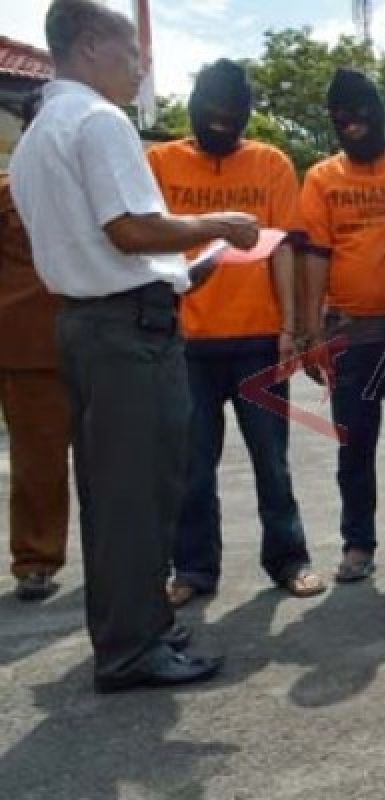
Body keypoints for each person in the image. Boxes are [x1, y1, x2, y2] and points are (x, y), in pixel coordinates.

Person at [9, 0, 258, 692]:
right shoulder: (97, 120)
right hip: (126, 335)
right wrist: (221, 224)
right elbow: (129, 228)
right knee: (138, 493)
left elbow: (96, 242)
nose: (140, 67)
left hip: (88, 325)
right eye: (131, 53)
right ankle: (131, 649)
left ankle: (137, 626)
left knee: (111, 491)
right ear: (89, 46)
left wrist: (183, 270)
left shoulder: (36, 136)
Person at [147, 59, 326, 608]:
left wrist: (291, 328)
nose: (223, 123)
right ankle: (195, 569)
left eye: (233, 114)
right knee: (192, 466)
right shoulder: (159, 162)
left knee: (271, 461)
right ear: (196, 106)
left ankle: (289, 560)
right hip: (187, 344)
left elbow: (285, 250)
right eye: (213, 112)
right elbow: (150, 242)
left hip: (258, 340)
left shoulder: (270, 164)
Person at [300, 68, 385, 582]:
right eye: (340, 119)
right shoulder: (321, 178)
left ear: (378, 113)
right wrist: (311, 332)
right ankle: (358, 544)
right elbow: (314, 254)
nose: (350, 124)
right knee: (353, 444)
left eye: (359, 114)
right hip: (351, 334)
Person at [0, 88, 70, 603]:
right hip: (28, 348)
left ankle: (129, 561)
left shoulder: (92, 187)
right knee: (38, 461)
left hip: (100, 340)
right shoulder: (6, 192)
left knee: (116, 462)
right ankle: (36, 561)